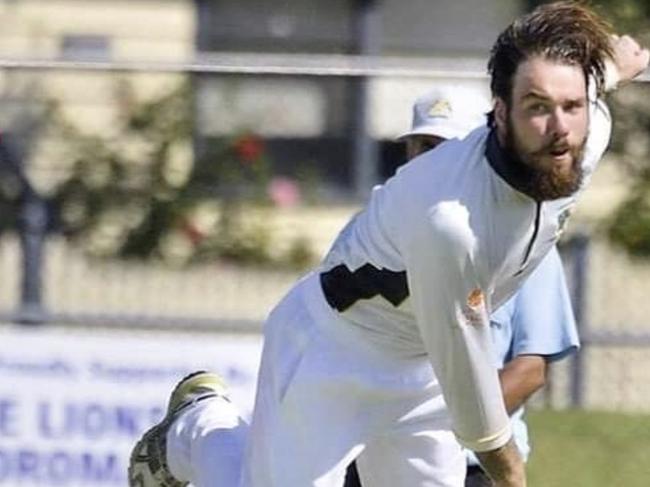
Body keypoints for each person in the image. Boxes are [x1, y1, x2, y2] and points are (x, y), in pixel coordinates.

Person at [129, 2, 649, 486]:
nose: (559, 128)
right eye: (536, 107)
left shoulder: (582, 134)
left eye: (570, 106)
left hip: (421, 366)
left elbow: (594, 84)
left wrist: (616, 66)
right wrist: (509, 470)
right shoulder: (451, 221)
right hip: (335, 352)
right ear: (500, 114)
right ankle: (198, 424)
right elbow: (469, 381)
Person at [343, 87, 580, 487]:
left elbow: (529, 370)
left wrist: (441, 422)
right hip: (373, 454)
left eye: (446, 147)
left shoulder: (525, 239)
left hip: (473, 463)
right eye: (422, 146)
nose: (433, 160)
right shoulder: (372, 231)